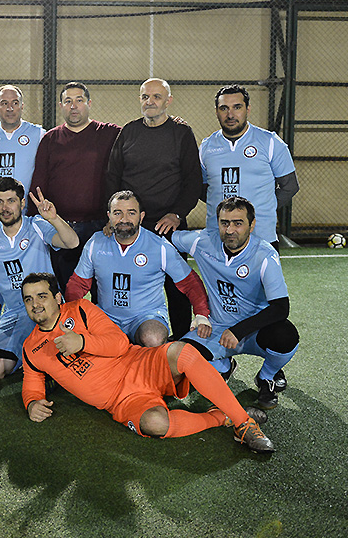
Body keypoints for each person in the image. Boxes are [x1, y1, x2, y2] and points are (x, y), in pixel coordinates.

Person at [20, 273, 275, 453]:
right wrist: (32, 402)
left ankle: (243, 423)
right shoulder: (31, 347)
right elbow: (33, 380)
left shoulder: (81, 309)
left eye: (41, 296)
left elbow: (119, 343)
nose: (35, 304)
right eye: (28, 299)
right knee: (155, 424)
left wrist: (83, 343)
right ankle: (221, 417)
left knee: (183, 352)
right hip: (121, 401)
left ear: (57, 297)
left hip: (138, 364)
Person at [172, 197, 299, 410]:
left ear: (252, 224)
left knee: (285, 336)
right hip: (215, 329)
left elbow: (281, 308)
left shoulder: (265, 254)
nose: (230, 230)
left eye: (238, 223)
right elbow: (163, 237)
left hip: (255, 332)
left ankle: (266, 377)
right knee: (180, 360)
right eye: (224, 223)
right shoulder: (202, 241)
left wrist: (239, 330)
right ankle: (223, 365)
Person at [0, 177, 79, 379]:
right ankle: (32, 355)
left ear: (22, 203)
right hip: (16, 312)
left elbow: (72, 242)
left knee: (67, 358)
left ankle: (38, 355)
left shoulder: (36, 226)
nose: (5, 207)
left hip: (48, 308)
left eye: (11, 200)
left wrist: (53, 218)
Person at [105, 78, 202, 338]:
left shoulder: (181, 133)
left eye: (157, 97)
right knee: (122, 281)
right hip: (130, 225)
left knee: (176, 287)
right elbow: (113, 176)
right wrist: (114, 217)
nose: (150, 102)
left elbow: (193, 181)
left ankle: (181, 341)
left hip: (166, 225)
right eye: (145, 97)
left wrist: (177, 214)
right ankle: (119, 337)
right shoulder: (128, 131)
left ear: (168, 101)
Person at [66, 191, 211, 347]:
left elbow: (190, 282)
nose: (124, 219)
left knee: (152, 337)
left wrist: (202, 314)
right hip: (106, 318)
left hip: (145, 317)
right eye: (117, 213)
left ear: (141, 216)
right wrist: (71, 315)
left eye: (131, 213)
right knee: (85, 340)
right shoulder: (96, 242)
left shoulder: (159, 246)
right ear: (109, 216)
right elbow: (78, 284)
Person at [28, 82, 121, 293]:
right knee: (67, 293)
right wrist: (35, 223)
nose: (74, 106)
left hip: (101, 228)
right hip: (62, 229)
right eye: (68, 101)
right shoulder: (50, 139)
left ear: (89, 103)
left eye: (79, 100)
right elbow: (39, 183)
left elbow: (139, 134)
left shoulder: (110, 134)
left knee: (103, 292)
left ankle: (100, 327)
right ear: (61, 106)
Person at [200, 84, 299, 248]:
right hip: (218, 240)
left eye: (237, 107)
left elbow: (290, 186)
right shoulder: (206, 147)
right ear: (216, 111)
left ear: (248, 109)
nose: (230, 114)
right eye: (224, 108)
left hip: (261, 238)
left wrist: (259, 208)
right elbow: (201, 188)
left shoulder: (270, 142)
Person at [0, 85, 45, 309]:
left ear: (22, 106)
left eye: (15, 103)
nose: (10, 108)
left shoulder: (38, 134)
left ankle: (29, 326)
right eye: (4, 103)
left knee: (29, 275)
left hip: (27, 219)